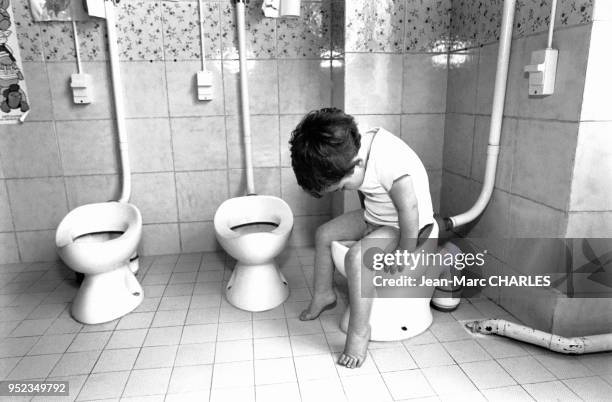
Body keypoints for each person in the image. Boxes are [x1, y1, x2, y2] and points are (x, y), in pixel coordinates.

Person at [289, 108, 435, 368]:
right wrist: (369, 224)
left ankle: (359, 333)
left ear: (356, 164)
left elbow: (409, 209)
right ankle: (324, 294)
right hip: (378, 217)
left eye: (342, 186)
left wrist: (403, 251)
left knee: (357, 258)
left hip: (406, 225)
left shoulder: (388, 158)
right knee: (324, 234)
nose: (343, 189)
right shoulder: (349, 147)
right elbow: (366, 190)